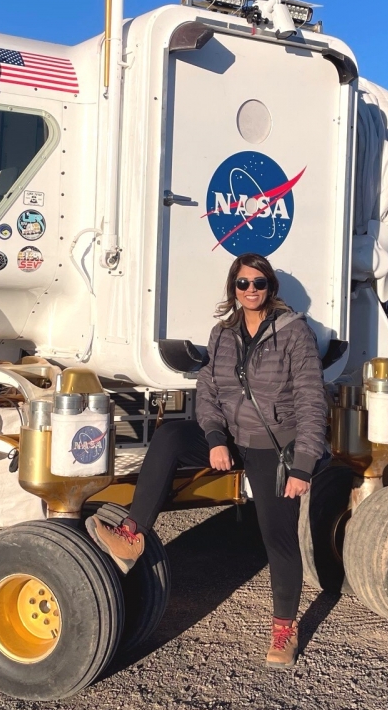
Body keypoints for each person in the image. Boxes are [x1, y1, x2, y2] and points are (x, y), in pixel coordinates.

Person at [86, 252, 327, 668]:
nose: (250, 290)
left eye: (259, 283)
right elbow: (209, 392)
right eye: (242, 283)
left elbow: (310, 399)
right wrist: (214, 438)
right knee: (171, 436)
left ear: (271, 288)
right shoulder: (223, 333)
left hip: (274, 445)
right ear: (233, 288)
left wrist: (303, 464)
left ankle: (285, 628)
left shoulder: (293, 332)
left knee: (278, 537)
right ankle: (133, 534)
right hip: (231, 437)